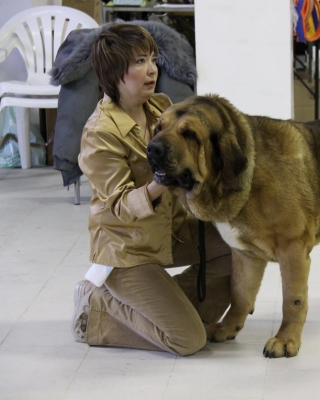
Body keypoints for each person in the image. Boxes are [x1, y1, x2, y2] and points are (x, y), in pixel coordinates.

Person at [72, 24, 232, 356]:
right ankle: (96, 306)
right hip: (127, 250)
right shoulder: (99, 133)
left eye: (153, 59)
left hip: (172, 229)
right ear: (115, 72)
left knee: (239, 247)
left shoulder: (161, 107)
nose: (152, 69)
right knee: (188, 340)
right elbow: (119, 205)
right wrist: (161, 181)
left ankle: (165, 310)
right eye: (140, 61)